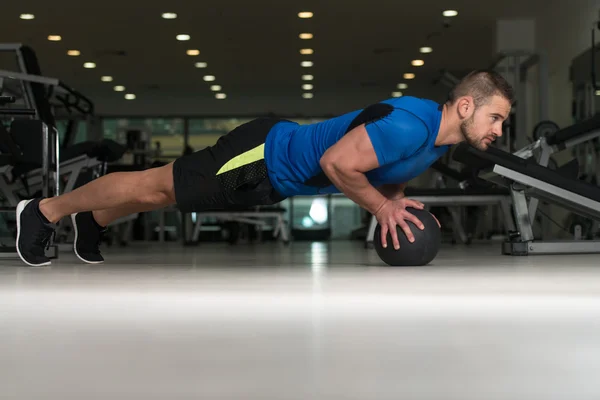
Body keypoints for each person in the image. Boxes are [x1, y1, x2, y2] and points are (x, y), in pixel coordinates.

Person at [15, 69, 513, 266]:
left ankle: (91, 220)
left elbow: (389, 171)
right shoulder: (411, 122)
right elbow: (336, 163)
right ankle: (44, 210)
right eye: (495, 118)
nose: (497, 131)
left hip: (272, 176)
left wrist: (395, 197)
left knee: (167, 196)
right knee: (153, 187)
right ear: (466, 107)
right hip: (262, 158)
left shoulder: (433, 142)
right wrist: (382, 207)